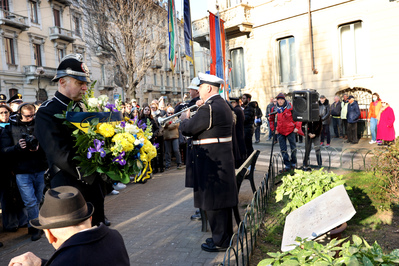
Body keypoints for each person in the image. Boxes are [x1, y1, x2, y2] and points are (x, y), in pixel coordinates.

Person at [35, 54, 107, 227]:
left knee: (97, 230)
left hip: (92, 184)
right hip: (68, 187)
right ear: (62, 82)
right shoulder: (47, 111)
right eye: (79, 83)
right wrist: (89, 173)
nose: (84, 88)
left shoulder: (83, 107)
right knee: (76, 238)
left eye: (85, 84)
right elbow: (58, 153)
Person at [180, 73, 238, 252]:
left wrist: (184, 119)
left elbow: (189, 129)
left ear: (208, 88)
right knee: (221, 203)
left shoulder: (210, 108)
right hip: (219, 160)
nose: (198, 90)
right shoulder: (220, 104)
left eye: (200, 86)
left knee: (214, 204)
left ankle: (220, 241)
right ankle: (224, 238)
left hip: (211, 162)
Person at [8, 186, 130, 266]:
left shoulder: (67, 259)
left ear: (49, 234)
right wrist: (41, 263)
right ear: (90, 218)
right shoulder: (115, 237)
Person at [0, 103, 48, 241]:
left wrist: (39, 146)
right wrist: (17, 147)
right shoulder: (10, 127)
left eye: (32, 115)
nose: (30, 118)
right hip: (22, 171)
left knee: (38, 199)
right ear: (20, 114)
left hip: (39, 168)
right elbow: (4, 150)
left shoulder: (39, 124)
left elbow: (48, 143)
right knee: (30, 201)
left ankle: (33, 224)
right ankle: (35, 228)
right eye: (27, 116)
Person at [269, 93, 300, 173]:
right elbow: (271, 119)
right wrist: (273, 129)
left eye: (281, 99)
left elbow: (298, 117)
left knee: (293, 148)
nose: (280, 101)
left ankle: (293, 164)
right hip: (280, 131)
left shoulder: (290, 107)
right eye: (278, 100)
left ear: (284, 99)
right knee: (283, 149)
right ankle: (287, 165)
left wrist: (297, 127)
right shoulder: (274, 109)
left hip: (290, 130)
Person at [230, 97, 246, 168]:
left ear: (234, 102)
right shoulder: (240, 109)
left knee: (238, 151)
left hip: (237, 133)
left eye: (231, 103)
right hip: (240, 132)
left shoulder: (236, 110)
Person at [150, 101, 165, 174]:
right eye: (151, 107)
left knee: (161, 152)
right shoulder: (151, 116)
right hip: (153, 136)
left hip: (159, 135)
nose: (152, 109)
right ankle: (155, 168)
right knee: (154, 152)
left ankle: (162, 167)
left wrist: (158, 134)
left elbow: (161, 126)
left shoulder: (160, 114)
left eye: (153, 107)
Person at [242, 93, 256, 158]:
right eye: (242, 98)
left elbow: (245, 119)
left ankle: (251, 163)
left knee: (248, 147)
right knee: (247, 147)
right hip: (246, 129)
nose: (242, 100)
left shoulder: (249, 108)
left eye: (244, 98)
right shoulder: (246, 107)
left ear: (248, 99)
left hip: (248, 129)